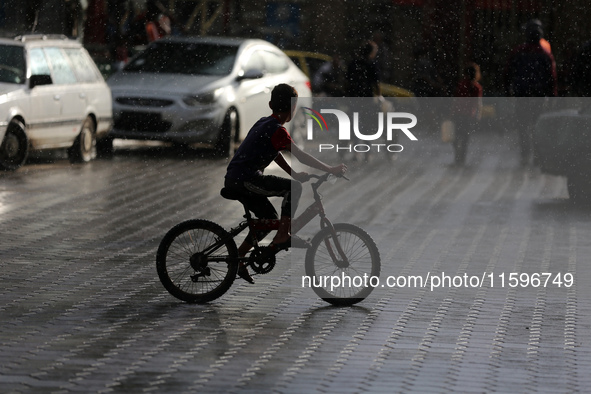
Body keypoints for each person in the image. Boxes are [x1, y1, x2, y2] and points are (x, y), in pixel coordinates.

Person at [224, 84, 347, 283]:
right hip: (245, 179)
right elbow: (301, 155)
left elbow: (275, 153)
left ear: (271, 104)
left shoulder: (264, 123)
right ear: (293, 108)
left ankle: (237, 259)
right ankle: (283, 235)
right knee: (293, 188)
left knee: (267, 220)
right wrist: (330, 169)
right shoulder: (278, 131)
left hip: (237, 178)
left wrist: (294, 173)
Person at [504, 19, 557, 165]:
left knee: (523, 124)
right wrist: (552, 96)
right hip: (538, 95)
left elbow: (507, 72)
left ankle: (525, 150)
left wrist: (507, 90)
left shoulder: (518, 51)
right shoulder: (545, 54)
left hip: (522, 94)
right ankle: (537, 153)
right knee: (536, 124)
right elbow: (552, 77)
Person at [451, 63, 483, 166]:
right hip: (469, 115)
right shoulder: (477, 87)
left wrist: (451, 112)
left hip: (458, 113)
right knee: (465, 137)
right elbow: (478, 103)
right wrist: (478, 116)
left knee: (456, 135)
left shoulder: (461, 84)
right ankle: (462, 157)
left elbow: (455, 100)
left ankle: (457, 155)